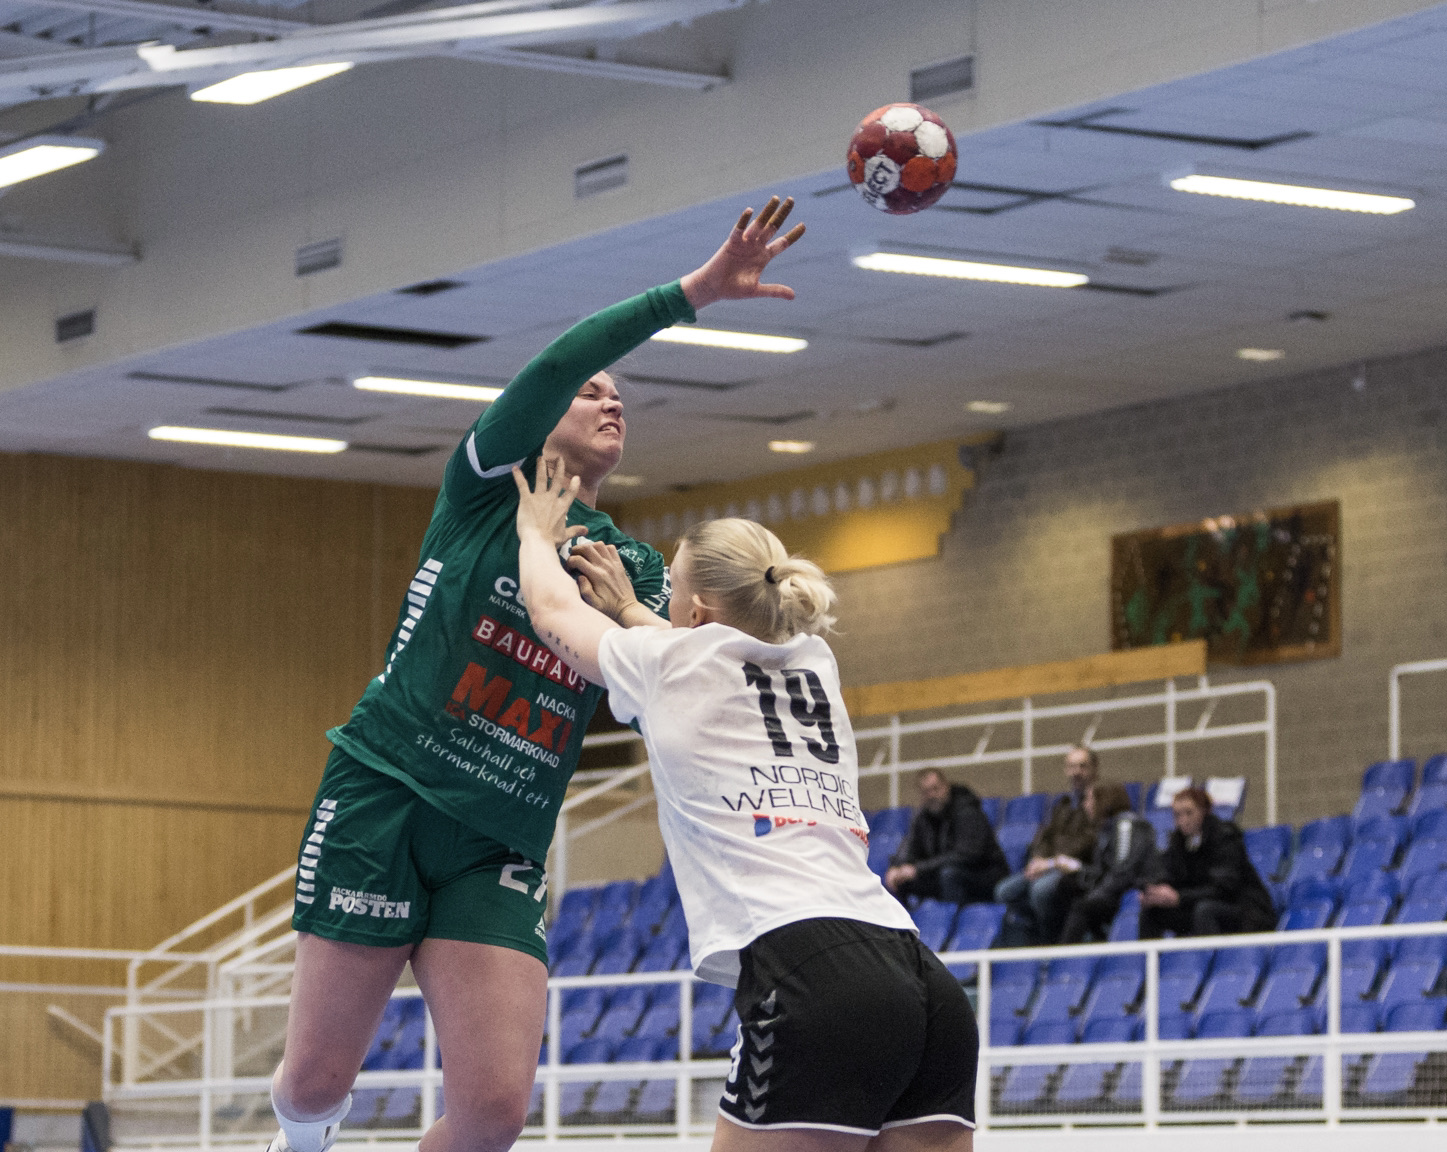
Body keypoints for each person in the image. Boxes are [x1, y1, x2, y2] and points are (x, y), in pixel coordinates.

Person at [263, 199, 805, 1152]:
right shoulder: (482, 492)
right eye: (591, 393)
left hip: (499, 837)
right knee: (313, 1083)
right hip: (386, 796)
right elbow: (558, 360)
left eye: (620, 397)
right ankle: (300, 1138)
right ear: (540, 418)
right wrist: (696, 292)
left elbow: (679, 689)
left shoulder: (633, 569)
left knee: (492, 1116)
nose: (610, 401)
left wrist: (638, 618)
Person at [512, 461, 976, 1151]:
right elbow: (709, 651)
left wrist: (532, 533)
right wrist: (633, 610)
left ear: (696, 610)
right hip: (920, 976)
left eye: (672, 589)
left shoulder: (668, 664)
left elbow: (552, 612)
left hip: (811, 969)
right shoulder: (815, 662)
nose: (666, 603)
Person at [992, 745, 1100, 944]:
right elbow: (1045, 837)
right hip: (1049, 866)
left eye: (1082, 766)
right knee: (1004, 891)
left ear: (1094, 769)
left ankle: (1050, 942)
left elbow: (1088, 841)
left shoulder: (1099, 803)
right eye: (1072, 766)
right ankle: (1034, 935)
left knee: (1040, 890)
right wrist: (1037, 859)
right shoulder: (1063, 804)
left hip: (1076, 870)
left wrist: (1050, 862)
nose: (1076, 772)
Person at [1138, 787, 1276, 939]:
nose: (1183, 820)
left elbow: (1224, 888)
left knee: (1205, 910)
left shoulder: (1225, 837)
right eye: (1177, 815)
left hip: (1244, 909)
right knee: (1153, 911)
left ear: (1204, 811)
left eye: (1189, 813)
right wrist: (1155, 891)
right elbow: (1166, 871)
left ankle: (1209, 954)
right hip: (1200, 904)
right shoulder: (1178, 842)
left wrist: (1179, 897)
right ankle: (1147, 955)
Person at [885, 769, 1008, 905]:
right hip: (943, 872)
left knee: (949, 874)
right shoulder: (922, 818)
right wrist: (897, 867)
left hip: (983, 875)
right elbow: (910, 847)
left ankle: (955, 915)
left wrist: (918, 869)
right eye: (926, 792)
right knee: (902, 880)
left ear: (946, 786)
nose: (932, 795)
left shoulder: (968, 811)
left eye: (935, 789)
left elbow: (965, 855)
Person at [1056, 781, 1158, 944]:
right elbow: (1103, 871)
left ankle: (1063, 954)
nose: (1085, 805)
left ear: (1104, 800)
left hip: (1129, 890)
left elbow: (1123, 871)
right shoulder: (1106, 829)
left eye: (1089, 799)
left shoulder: (1126, 825)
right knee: (1066, 885)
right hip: (1113, 888)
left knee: (1082, 906)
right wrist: (1078, 869)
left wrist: (1093, 895)